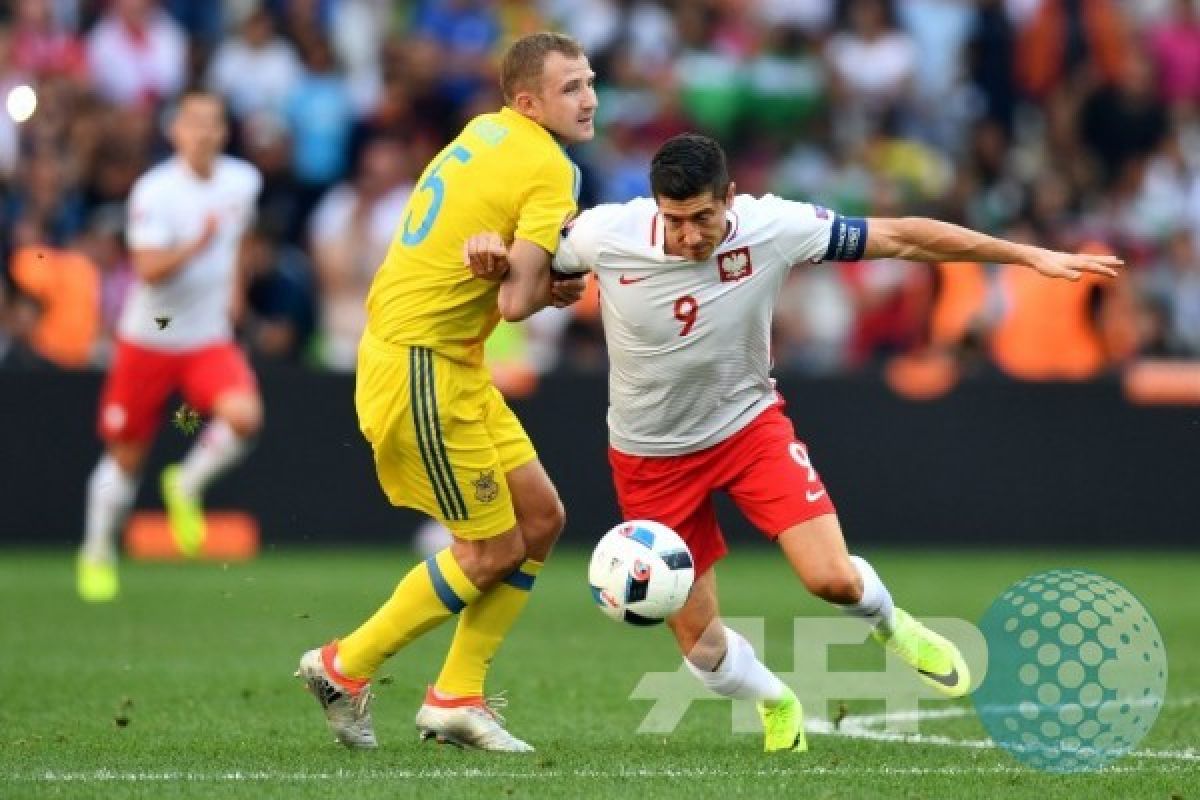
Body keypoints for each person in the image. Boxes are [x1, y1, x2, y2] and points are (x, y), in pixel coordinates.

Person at [465, 133, 1121, 753]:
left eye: (701, 217)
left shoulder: (774, 226)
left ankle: (896, 628)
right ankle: (777, 701)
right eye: (675, 219)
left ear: (728, 199)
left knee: (831, 580)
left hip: (748, 428)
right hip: (648, 456)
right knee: (700, 650)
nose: (688, 234)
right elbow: (533, 273)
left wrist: (1027, 255)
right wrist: (496, 255)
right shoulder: (607, 232)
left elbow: (902, 239)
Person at [295, 32, 596, 753]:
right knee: (491, 551)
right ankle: (342, 666)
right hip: (420, 362)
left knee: (542, 518)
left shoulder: (486, 131)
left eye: (590, 82)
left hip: (443, 358)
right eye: (570, 89)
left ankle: (456, 696)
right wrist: (541, 281)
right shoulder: (550, 167)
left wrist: (514, 271)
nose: (588, 99)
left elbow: (500, 271)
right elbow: (520, 303)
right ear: (529, 102)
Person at [77, 91, 264, 602]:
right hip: (150, 337)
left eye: (213, 123)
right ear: (175, 132)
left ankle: (184, 484)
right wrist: (197, 245)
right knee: (126, 456)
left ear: (223, 132)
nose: (203, 132)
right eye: (193, 123)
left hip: (206, 338)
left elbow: (242, 239)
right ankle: (96, 551)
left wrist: (235, 290)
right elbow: (146, 270)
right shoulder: (155, 191)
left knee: (245, 417)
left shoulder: (243, 181)